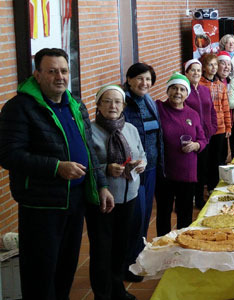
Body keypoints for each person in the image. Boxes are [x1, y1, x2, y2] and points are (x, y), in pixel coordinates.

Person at [0, 48, 114, 300]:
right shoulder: (19, 108)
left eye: (63, 71)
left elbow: (90, 149)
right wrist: (56, 167)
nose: (59, 76)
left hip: (75, 200)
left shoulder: (75, 104)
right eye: (52, 71)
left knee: (65, 269)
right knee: (40, 274)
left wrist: (101, 185)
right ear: (37, 75)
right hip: (42, 205)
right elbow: (8, 155)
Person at [87, 85, 147, 300]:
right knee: (102, 249)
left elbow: (142, 153)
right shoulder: (90, 131)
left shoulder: (130, 128)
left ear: (123, 105)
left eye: (117, 102)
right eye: (107, 101)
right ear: (98, 105)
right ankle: (102, 295)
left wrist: (142, 164)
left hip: (129, 196)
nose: (113, 106)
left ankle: (117, 290)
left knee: (121, 247)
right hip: (103, 199)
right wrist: (106, 169)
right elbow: (86, 165)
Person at [121, 62, 162, 282]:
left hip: (151, 167)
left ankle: (138, 258)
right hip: (133, 169)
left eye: (148, 79)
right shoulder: (123, 103)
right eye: (139, 78)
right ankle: (127, 263)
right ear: (129, 79)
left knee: (145, 217)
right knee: (134, 218)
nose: (144, 83)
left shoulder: (148, 100)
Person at [156, 73, 207, 234]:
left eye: (182, 89)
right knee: (164, 213)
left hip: (187, 172)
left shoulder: (192, 114)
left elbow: (203, 139)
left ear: (187, 94)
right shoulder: (159, 109)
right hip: (166, 173)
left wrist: (196, 145)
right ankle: (162, 246)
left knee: (185, 213)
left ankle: (183, 245)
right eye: (174, 88)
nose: (178, 92)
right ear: (167, 91)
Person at [184, 59, 218, 209]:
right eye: (193, 70)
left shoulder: (205, 90)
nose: (196, 73)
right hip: (192, 138)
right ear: (186, 73)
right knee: (193, 170)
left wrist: (213, 126)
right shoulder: (184, 91)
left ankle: (199, 199)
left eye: (198, 70)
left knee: (203, 168)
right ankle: (189, 199)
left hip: (206, 137)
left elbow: (211, 109)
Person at [199, 54, 232, 192]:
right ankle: (202, 189)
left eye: (215, 65)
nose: (213, 68)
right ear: (204, 68)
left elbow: (226, 107)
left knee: (217, 159)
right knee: (204, 161)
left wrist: (228, 126)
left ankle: (213, 187)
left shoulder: (221, 85)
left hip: (220, 128)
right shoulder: (199, 85)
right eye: (210, 65)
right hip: (205, 130)